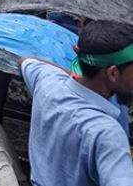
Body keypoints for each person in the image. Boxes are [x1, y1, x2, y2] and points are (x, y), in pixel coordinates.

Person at [21, 21, 133, 185]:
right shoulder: (107, 133)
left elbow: (26, 60)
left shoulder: (48, 84)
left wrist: (74, 74)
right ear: (113, 73)